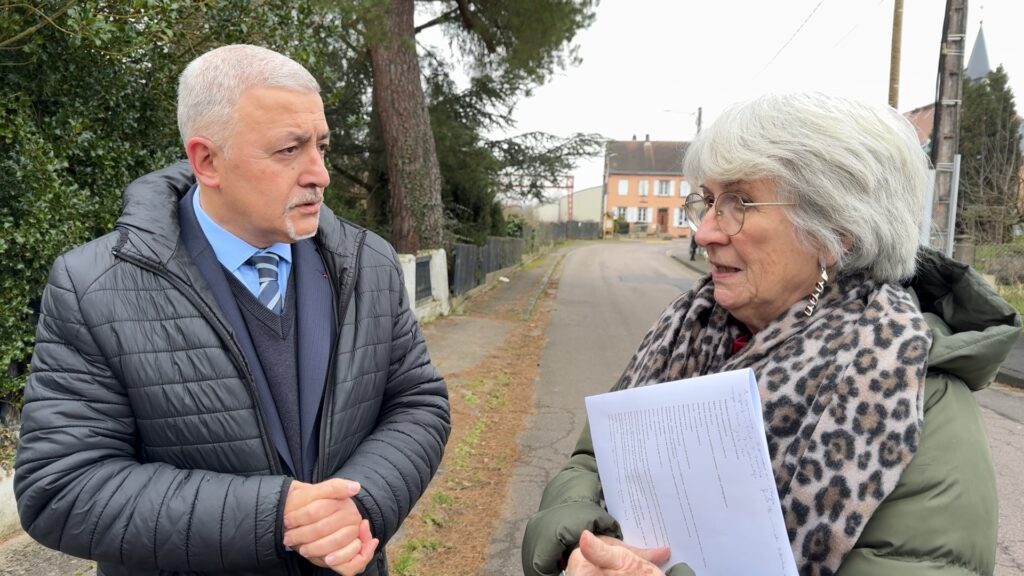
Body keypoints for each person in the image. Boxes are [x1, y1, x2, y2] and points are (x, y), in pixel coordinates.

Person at [522, 92, 1020, 576]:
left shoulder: (914, 396)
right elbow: (592, 463)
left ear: (835, 231)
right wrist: (585, 544)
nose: (705, 232)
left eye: (738, 202)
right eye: (709, 201)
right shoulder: (687, 333)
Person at [14, 44, 450, 576]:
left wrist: (362, 504)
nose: (320, 174)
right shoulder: (94, 286)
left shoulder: (369, 263)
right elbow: (61, 486)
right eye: (289, 150)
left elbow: (418, 402)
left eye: (321, 146)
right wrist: (274, 516)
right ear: (207, 161)